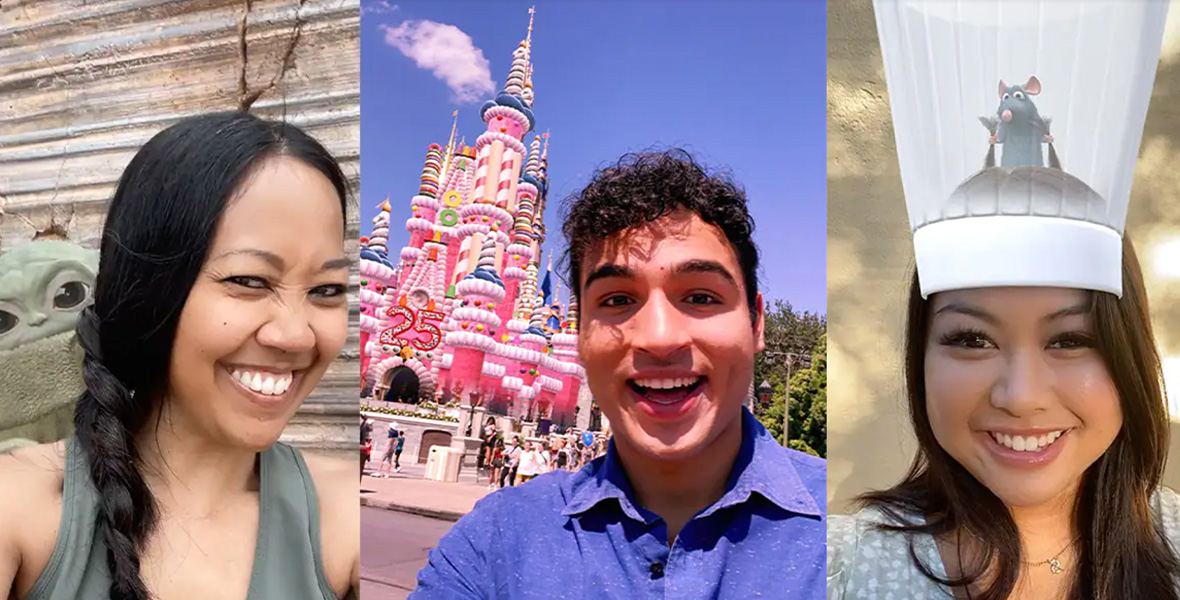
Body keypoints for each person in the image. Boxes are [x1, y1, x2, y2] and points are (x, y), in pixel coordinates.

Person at [827, 4, 1177, 599]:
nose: (1020, 397)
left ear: (1128, 355)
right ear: (920, 355)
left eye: (1071, 340)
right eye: (970, 339)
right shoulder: (837, 570)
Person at [411, 150, 825, 598]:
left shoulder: (849, 539)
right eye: (617, 301)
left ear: (756, 322)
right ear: (577, 331)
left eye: (701, 297)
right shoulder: (495, 544)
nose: (660, 339)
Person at [0, 112, 360, 599]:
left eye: (326, 289)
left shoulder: (344, 518)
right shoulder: (19, 504)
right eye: (249, 281)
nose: (296, 336)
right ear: (148, 293)